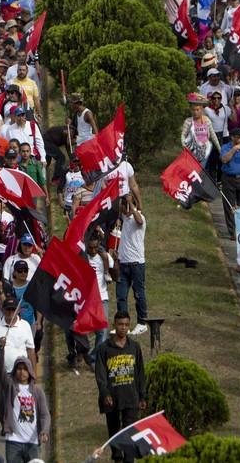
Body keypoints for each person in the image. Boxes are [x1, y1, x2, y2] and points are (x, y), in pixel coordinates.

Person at [93, 311, 148, 463]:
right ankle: (117, 457)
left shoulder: (134, 347)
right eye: (120, 324)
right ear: (114, 325)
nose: (123, 327)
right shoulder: (104, 348)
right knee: (114, 430)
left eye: (126, 325)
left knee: (130, 431)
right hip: (112, 398)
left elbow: (140, 373)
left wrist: (142, 396)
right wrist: (105, 394)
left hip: (131, 397)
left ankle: (129, 460)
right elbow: (100, 374)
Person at [0, 335, 50, 463]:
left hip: (33, 442)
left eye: (25, 369)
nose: (22, 372)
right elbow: (1, 371)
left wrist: (44, 430)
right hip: (13, 441)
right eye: (19, 369)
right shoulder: (10, 386)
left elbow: (44, 414)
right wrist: (1, 350)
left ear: (30, 371)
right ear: (15, 371)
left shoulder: (37, 391)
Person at [115, 196, 148, 336]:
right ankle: (123, 324)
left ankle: (142, 322)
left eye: (123, 205)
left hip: (136, 264)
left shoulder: (139, 217)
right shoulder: (123, 218)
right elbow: (117, 211)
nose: (122, 207)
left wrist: (132, 205)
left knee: (138, 294)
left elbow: (139, 221)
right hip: (123, 264)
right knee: (121, 296)